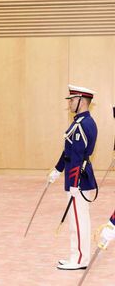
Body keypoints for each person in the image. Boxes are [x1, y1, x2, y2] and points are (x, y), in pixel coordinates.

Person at [48, 84, 98, 270]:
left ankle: (79, 260)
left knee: (79, 220)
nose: (69, 103)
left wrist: (74, 182)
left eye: (72, 100)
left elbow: (77, 156)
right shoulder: (80, 122)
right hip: (76, 178)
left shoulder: (83, 124)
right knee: (77, 219)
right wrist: (57, 169)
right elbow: (68, 152)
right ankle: (76, 256)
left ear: (82, 101)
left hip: (78, 180)